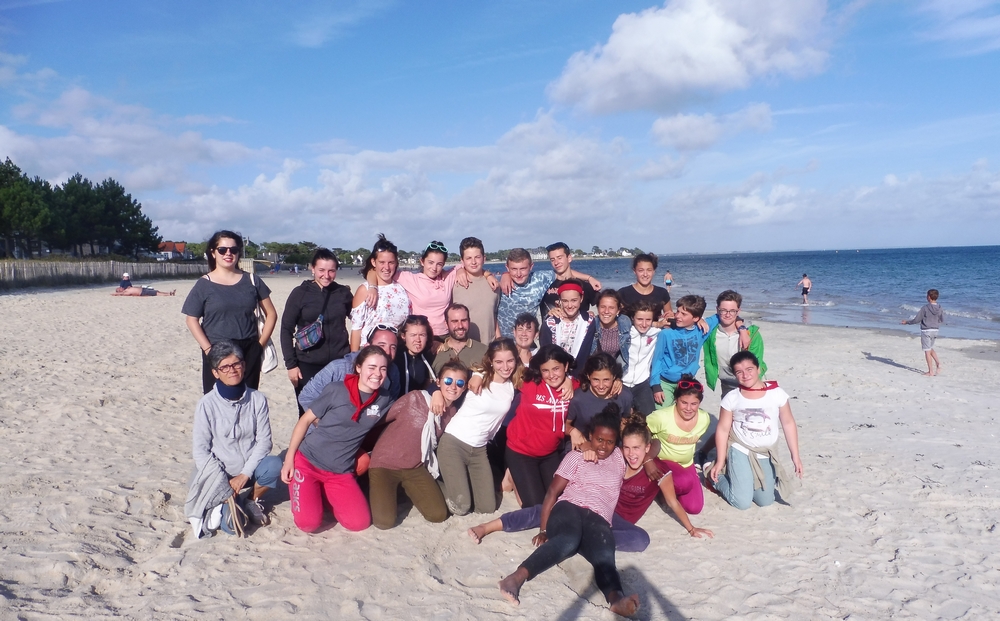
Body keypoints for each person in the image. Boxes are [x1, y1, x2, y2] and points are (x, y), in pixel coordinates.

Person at [470, 405, 713, 552]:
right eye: (627, 448)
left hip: (612, 521)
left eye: (638, 449)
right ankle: (488, 526)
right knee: (540, 511)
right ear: (622, 446)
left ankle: (580, 540)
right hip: (589, 507)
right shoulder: (618, 456)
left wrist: (691, 529)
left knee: (640, 539)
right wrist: (586, 445)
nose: (632, 454)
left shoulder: (652, 467)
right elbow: (596, 445)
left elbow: (671, 498)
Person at [497, 408, 641, 616]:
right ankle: (515, 578)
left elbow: (653, 444)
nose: (604, 446)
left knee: (604, 551)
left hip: (598, 517)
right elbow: (552, 493)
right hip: (569, 508)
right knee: (569, 539)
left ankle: (616, 599)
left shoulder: (618, 457)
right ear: (591, 436)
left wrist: (649, 460)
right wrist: (544, 528)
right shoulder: (576, 456)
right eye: (599, 439)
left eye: (610, 442)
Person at [281, 346, 394, 532]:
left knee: (358, 523)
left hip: (340, 471)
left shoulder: (384, 399)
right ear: (358, 368)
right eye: (371, 367)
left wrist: (437, 393)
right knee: (308, 524)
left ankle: (323, 492)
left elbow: (407, 406)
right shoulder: (336, 390)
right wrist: (289, 460)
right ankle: (309, 491)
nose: (377, 374)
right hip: (308, 462)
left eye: (383, 368)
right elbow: (305, 420)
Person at [186, 340, 281, 537]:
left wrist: (244, 475)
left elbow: (265, 442)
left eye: (236, 364)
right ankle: (220, 505)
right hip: (219, 473)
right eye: (225, 366)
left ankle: (251, 500)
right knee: (232, 527)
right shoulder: (206, 404)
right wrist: (223, 483)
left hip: (248, 470)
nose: (232, 370)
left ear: (244, 366)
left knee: (274, 465)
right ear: (215, 372)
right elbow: (200, 450)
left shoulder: (257, 399)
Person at [368, 360, 469, 529]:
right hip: (384, 464)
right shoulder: (415, 398)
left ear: (464, 387)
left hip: (415, 467)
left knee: (437, 515)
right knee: (384, 522)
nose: (453, 387)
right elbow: (380, 420)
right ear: (438, 382)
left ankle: (404, 490)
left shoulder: (452, 413)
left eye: (459, 383)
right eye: (448, 381)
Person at [182, 231, 277, 394]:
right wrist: (208, 349)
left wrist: (259, 346)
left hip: (248, 349)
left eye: (233, 250)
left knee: (247, 400)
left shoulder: (252, 281)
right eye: (222, 250)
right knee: (217, 402)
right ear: (213, 252)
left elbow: (272, 314)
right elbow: (191, 320)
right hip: (216, 349)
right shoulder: (204, 284)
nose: (228, 253)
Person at [438, 339, 522, 515]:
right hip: (454, 443)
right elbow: (449, 381)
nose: (505, 367)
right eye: (499, 361)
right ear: (491, 361)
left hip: (479, 450)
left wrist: (568, 380)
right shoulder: (478, 376)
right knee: (461, 507)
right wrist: (436, 392)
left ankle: (461, 484)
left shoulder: (511, 385)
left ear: (516, 359)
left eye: (510, 361)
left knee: (487, 508)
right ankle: (434, 482)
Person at [709, 351, 803, 510]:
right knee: (742, 502)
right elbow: (723, 429)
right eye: (739, 372)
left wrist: (796, 456)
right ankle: (712, 473)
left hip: (765, 452)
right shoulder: (732, 397)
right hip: (740, 448)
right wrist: (719, 461)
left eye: (749, 369)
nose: (745, 375)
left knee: (765, 501)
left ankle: (742, 478)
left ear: (759, 369)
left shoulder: (777, 393)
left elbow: (788, 423)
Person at [280, 248, 354, 415]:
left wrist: (371, 288)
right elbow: (286, 329)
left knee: (338, 413)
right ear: (312, 268)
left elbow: (360, 320)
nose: (326, 275)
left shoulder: (343, 293)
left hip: (339, 363)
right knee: (308, 414)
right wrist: (291, 365)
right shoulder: (300, 293)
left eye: (331, 271)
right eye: (321, 270)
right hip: (307, 364)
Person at [504, 345, 579, 508]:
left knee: (558, 499)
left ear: (566, 366)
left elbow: (598, 384)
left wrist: (570, 380)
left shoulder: (574, 387)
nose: (552, 375)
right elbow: (500, 368)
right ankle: (512, 476)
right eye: (546, 370)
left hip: (549, 453)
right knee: (536, 506)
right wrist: (477, 374)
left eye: (556, 369)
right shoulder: (528, 382)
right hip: (521, 451)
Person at [369, 240, 470, 339]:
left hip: (445, 334)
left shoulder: (447, 278)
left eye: (439, 264)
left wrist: (464, 271)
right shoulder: (410, 279)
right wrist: (372, 287)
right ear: (422, 261)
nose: (434, 268)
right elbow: (375, 270)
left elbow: (469, 265)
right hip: (421, 335)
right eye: (430, 262)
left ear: (443, 265)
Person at [496, 248, 600, 338]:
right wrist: (504, 275)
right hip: (502, 341)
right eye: (514, 269)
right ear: (507, 267)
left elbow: (563, 272)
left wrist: (589, 278)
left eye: (523, 269)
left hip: (526, 340)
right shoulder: (498, 282)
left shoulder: (540, 279)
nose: (518, 274)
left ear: (531, 266)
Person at [646, 376, 712, 514]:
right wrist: (647, 458)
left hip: (687, 464)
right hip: (663, 461)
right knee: (683, 483)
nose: (688, 408)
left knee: (694, 508)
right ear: (676, 399)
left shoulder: (704, 418)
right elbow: (640, 433)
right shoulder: (661, 417)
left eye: (694, 404)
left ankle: (669, 490)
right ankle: (659, 490)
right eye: (684, 402)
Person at [298, 327, 401, 411]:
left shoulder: (393, 372)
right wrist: (324, 426)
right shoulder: (338, 368)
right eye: (381, 345)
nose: (387, 352)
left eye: (393, 347)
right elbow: (306, 397)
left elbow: (389, 405)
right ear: (366, 347)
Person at [650, 295, 716, 409]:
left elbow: (722, 315)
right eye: (678, 311)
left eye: (684, 314)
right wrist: (656, 386)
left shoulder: (701, 330)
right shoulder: (666, 333)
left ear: (695, 318)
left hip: (687, 382)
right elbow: (657, 360)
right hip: (665, 382)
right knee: (662, 414)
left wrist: (740, 323)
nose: (678, 316)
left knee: (685, 412)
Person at [351, 234, 410, 350]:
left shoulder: (402, 286)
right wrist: (353, 358)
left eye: (391, 262)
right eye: (382, 262)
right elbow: (356, 329)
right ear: (374, 262)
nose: (386, 267)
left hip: (395, 348)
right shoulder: (365, 289)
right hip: (370, 350)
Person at [566, 353, 632, 452]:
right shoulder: (577, 398)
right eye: (596, 380)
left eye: (606, 380)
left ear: (614, 376)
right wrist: (572, 431)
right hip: (582, 446)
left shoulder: (625, 396)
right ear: (588, 376)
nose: (601, 386)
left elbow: (624, 424)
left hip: (611, 448)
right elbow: (563, 425)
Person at [703, 290, 763, 398]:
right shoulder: (710, 331)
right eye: (723, 310)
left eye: (732, 311)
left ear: (738, 311)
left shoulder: (752, 333)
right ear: (717, 310)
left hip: (749, 383)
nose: (727, 314)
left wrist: (742, 329)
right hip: (726, 383)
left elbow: (757, 361)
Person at [539, 281, 596, 377]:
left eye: (574, 300)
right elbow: (546, 354)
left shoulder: (589, 321)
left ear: (581, 298)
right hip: (555, 376)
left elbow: (587, 352)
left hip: (579, 377)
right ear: (559, 300)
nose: (570, 305)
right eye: (565, 301)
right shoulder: (550, 322)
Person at [451, 237, 500, 342]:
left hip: (489, 347)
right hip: (465, 348)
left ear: (484, 258)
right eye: (468, 258)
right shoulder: (455, 283)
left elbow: (494, 316)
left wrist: (499, 341)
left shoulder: (494, 284)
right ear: (462, 261)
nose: (473, 262)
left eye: (477, 257)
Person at [620, 300, 661, 416]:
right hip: (622, 382)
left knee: (649, 419)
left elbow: (679, 324)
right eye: (640, 319)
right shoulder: (624, 332)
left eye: (648, 320)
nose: (644, 324)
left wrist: (701, 320)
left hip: (642, 383)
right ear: (632, 318)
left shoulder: (656, 332)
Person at [540, 242, 599, 316]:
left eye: (559, 258)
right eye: (552, 260)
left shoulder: (584, 286)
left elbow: (605, 304)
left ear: (569, 258)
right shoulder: (543, 285)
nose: (556, 262)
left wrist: (592, 317)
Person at [432, 303, 488, 374]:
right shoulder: (436, 353)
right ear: (446, 324)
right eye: (455, 321)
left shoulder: (483, 351)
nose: (460, 326)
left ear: (469, 321)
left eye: (464, 320)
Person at [617, 253, 671, 324]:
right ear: (634, 271)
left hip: (654, 334)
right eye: (641, 270)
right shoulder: (623, 293)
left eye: (649, 270)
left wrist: (670, 317)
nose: (645, 274)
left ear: (654, 271)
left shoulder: (662, 293)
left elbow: (669, 317)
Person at [902, 288, 944, 376]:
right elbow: (941, 319)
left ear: (929, 297)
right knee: (930, 348)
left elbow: (917, 319)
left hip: (926, 330)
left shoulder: (925, 308)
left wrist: (907, 322)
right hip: (935, 330)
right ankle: (938, 364)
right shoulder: (939, 308)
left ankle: (931, 371)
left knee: (927, 351)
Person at [591, 289, 631, 370]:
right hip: (592, 370)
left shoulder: (624, 323)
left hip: (612, 371)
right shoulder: (590, 325)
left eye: (611, 308)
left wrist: (658, 324)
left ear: (618, 310)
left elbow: (641, 322)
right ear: (597, 308)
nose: (606, 311)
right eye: (603, 307)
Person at [394, 315, 436, 393]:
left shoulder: (429, 357)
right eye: (413, 335)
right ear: (403, 336)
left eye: (422, 335)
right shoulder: (395, 357)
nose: (418, 340)